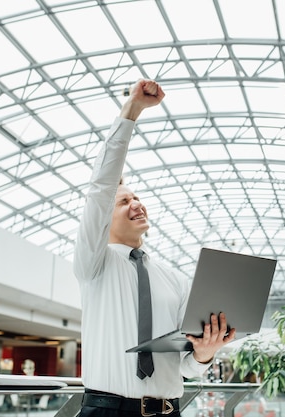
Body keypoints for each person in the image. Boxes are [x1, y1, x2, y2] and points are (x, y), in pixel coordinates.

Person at [73, 79, 237, 417]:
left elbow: (186, 368)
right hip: (108, 411)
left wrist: (206, 351)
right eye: (123, 202)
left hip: (168, 410)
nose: (136, 204)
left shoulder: (174, 279)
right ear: (105, 213)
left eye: (137, 198)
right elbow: (102, 185)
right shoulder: (94, 263)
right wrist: (131, 110)